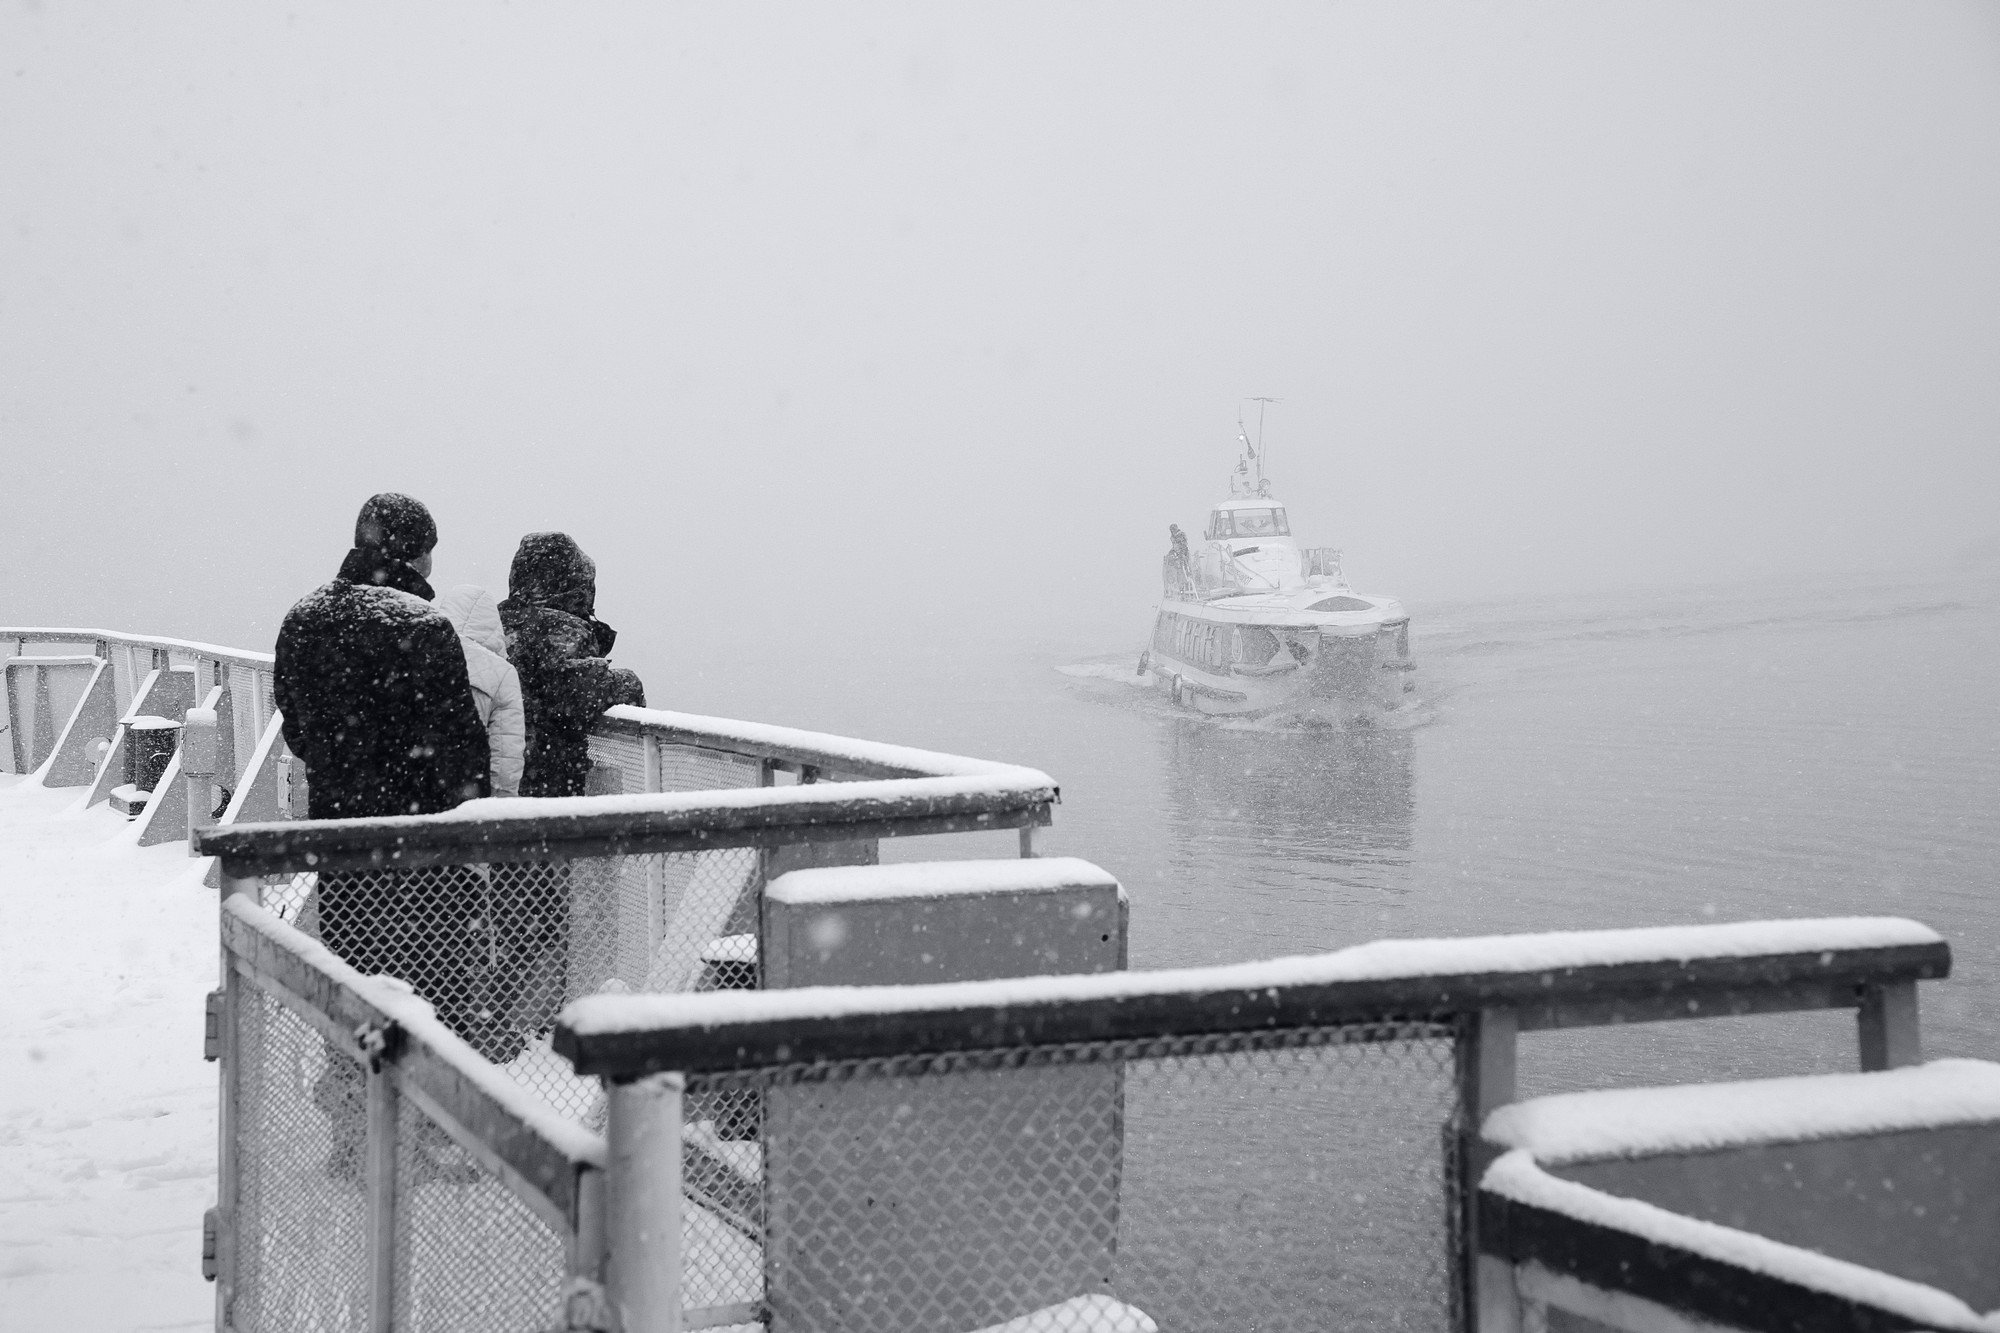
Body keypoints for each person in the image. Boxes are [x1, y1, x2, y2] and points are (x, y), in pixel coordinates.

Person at [274, 494, 497, 1175]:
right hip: (420, 848)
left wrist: (346, 769)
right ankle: (419, 1132)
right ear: (418, 551)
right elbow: (460, 745)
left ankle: (352, 1130)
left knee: (357, 978)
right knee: (429, 983)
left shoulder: (305, 617)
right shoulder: (423, 626)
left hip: (342, 843)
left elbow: (297, 724)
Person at [493, 532, 646, 1041]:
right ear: (573, 588)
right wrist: (627, 682)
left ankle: (505, 1029)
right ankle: (520, 1042)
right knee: (539, 926)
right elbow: (573, 687)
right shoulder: (551, 631)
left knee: (509, 923)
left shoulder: (503, 629)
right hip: (539, 803)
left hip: (500, 796)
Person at [498, 532, 646, 795]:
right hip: (544, 778)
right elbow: (578, 694)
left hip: (497, 769)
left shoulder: (498, 621)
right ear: (575, 582)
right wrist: (629, 683)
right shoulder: (560, 627)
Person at [432, 584, 526, 798]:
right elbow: (505, 755)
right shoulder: (502, 673)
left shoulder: (426, 653)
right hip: (468, 792)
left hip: (419, 785)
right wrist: (501, 801)